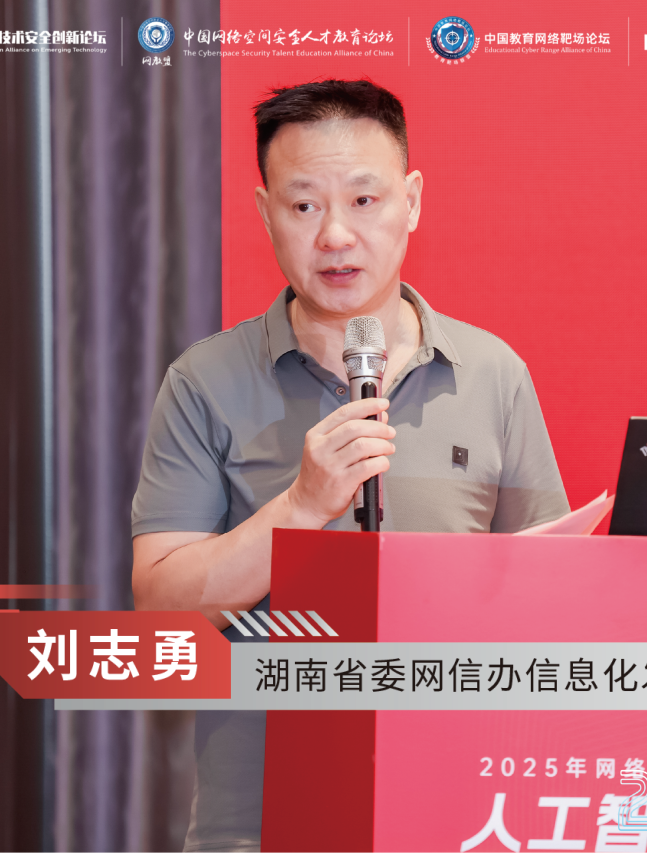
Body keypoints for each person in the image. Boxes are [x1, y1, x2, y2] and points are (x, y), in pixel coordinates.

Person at [130, 79, 568, 850]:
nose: (335, 235)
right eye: (304, 205)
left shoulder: (493, 374)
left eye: (364, 201)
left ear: (412, 201)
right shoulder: (204, 381)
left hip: (459, 815)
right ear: (265, 212)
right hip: (260, 825)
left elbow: (555, 599)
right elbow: (160, 611)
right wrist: (299, 507)